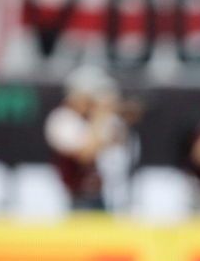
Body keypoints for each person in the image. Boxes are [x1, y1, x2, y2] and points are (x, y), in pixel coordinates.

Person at [44, 66, 137, 211]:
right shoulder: (62, 119)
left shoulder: (99, 119)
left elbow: (122, 147)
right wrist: (101, 115)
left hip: (107, 194)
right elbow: (85, 155)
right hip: (74, 197)